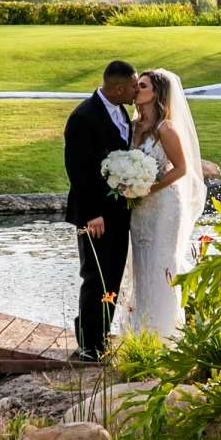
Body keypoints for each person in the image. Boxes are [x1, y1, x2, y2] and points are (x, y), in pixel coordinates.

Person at [119, 68, 208, 340]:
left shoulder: (166, 129)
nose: (136, 90)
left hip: (165, 206)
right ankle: (140, 334)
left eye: (142, 86)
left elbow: (182, 168)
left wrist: (148, 188)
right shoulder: (132, 126)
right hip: (140, 208)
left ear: (155, 93)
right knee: (142, 265)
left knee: (162, 266)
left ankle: (165, 336)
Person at [64, 60, 140, 360]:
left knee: (112, 277)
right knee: (94, 277)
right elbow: (78, 170)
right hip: (95, 216)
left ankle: (101, 339)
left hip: (119, 213)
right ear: (119, 87)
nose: (136, 91)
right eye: (134, 86)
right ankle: (88, 346)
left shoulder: (121, 111)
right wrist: (93, 213)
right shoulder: (83, 117)